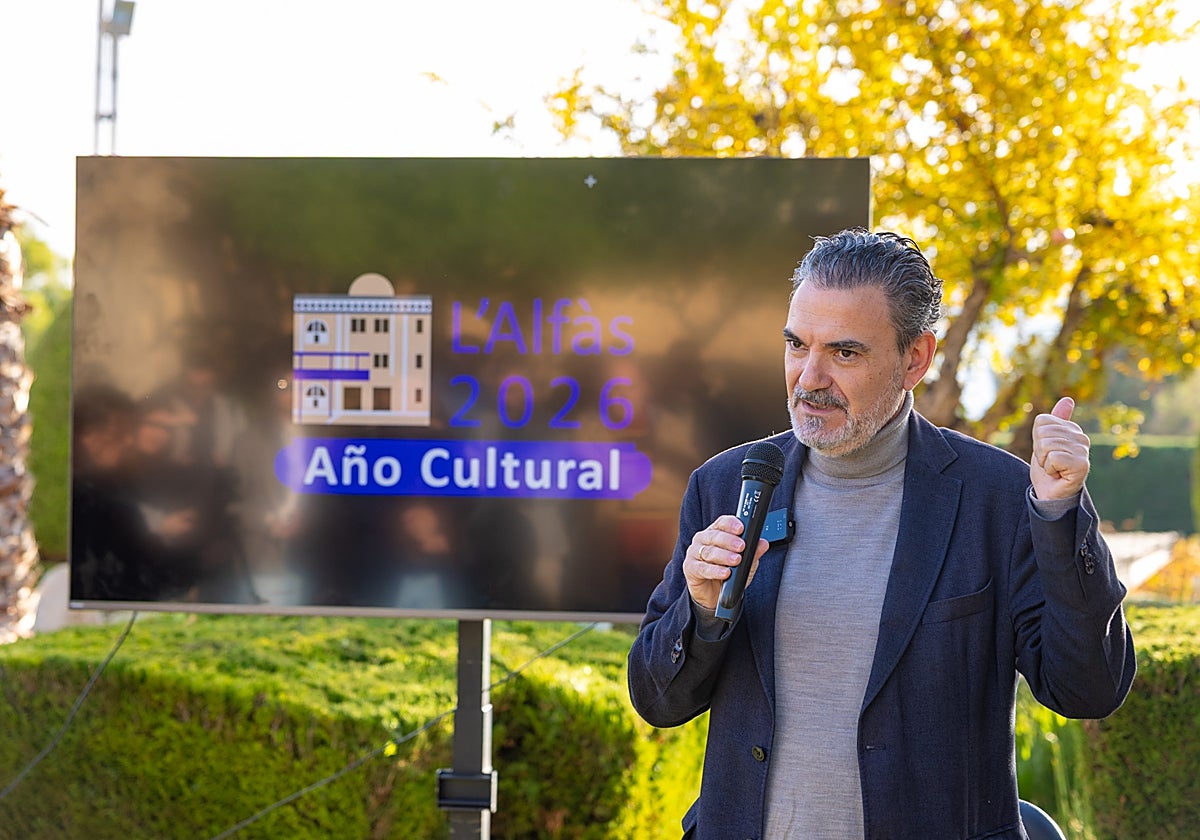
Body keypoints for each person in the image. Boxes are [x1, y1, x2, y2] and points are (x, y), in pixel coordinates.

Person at [627, 229, 1135, 840]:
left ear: (916, 359)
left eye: (844, 353)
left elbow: (1088, 688)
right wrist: (702, 612)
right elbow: (659, 700)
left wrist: (1058, 516)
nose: (808, 378)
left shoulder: (997, 498)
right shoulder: (725, 484)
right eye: (796, 345)